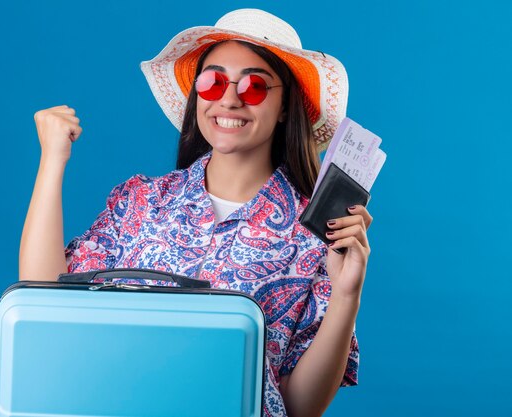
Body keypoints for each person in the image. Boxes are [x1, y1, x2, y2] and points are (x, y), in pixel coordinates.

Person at [19, 8, 373, 417]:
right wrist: (52, 161)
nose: (229, 97)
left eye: (255, 85)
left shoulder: (317, 237)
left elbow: (299, 408)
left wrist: (346, 295)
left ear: (284, 107)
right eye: (212, 81)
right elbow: (41, 302)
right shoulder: (140, 202)